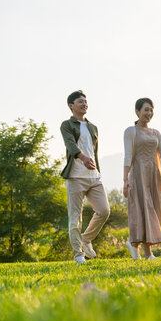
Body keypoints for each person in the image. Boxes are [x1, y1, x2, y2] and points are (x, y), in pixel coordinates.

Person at [123, 98, 161, 260]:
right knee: (144, 210)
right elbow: (128, 156)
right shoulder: (131, 131)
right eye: (146, 110)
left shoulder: (156, 133)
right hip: (138, 175)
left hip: (154, 176)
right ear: (137, 112)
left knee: (155, 210)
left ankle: (133, 244)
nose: (149, 113)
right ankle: (148, 254)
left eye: (151, 110)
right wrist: (125, 179)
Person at [60, 90, 110, 263]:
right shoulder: (67, 125)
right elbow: (70, 144)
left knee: (104, 210)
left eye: (85, 101)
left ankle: (86, 239)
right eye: (80, 101)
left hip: (94, 176)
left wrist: (96, 168)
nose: (84, 104)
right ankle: (78, 254)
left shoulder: (92, 127)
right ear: (71, 105)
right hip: (75, 177)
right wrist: (82, 158)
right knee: (75, 217)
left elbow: (94, 152)